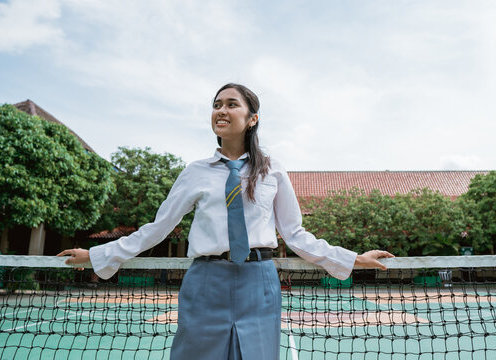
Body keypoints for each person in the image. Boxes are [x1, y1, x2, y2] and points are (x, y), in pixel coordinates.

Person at [58, 83, 394, 360]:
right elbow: (158, 228)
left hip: (258, 284)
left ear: (251, 119)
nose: (221, 110)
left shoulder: (272, 170)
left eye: (232, 104)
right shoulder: (195, 172)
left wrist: (353, 259)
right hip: (206, 282)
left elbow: (294, 233)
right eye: (217, 104)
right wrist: (98, 254)